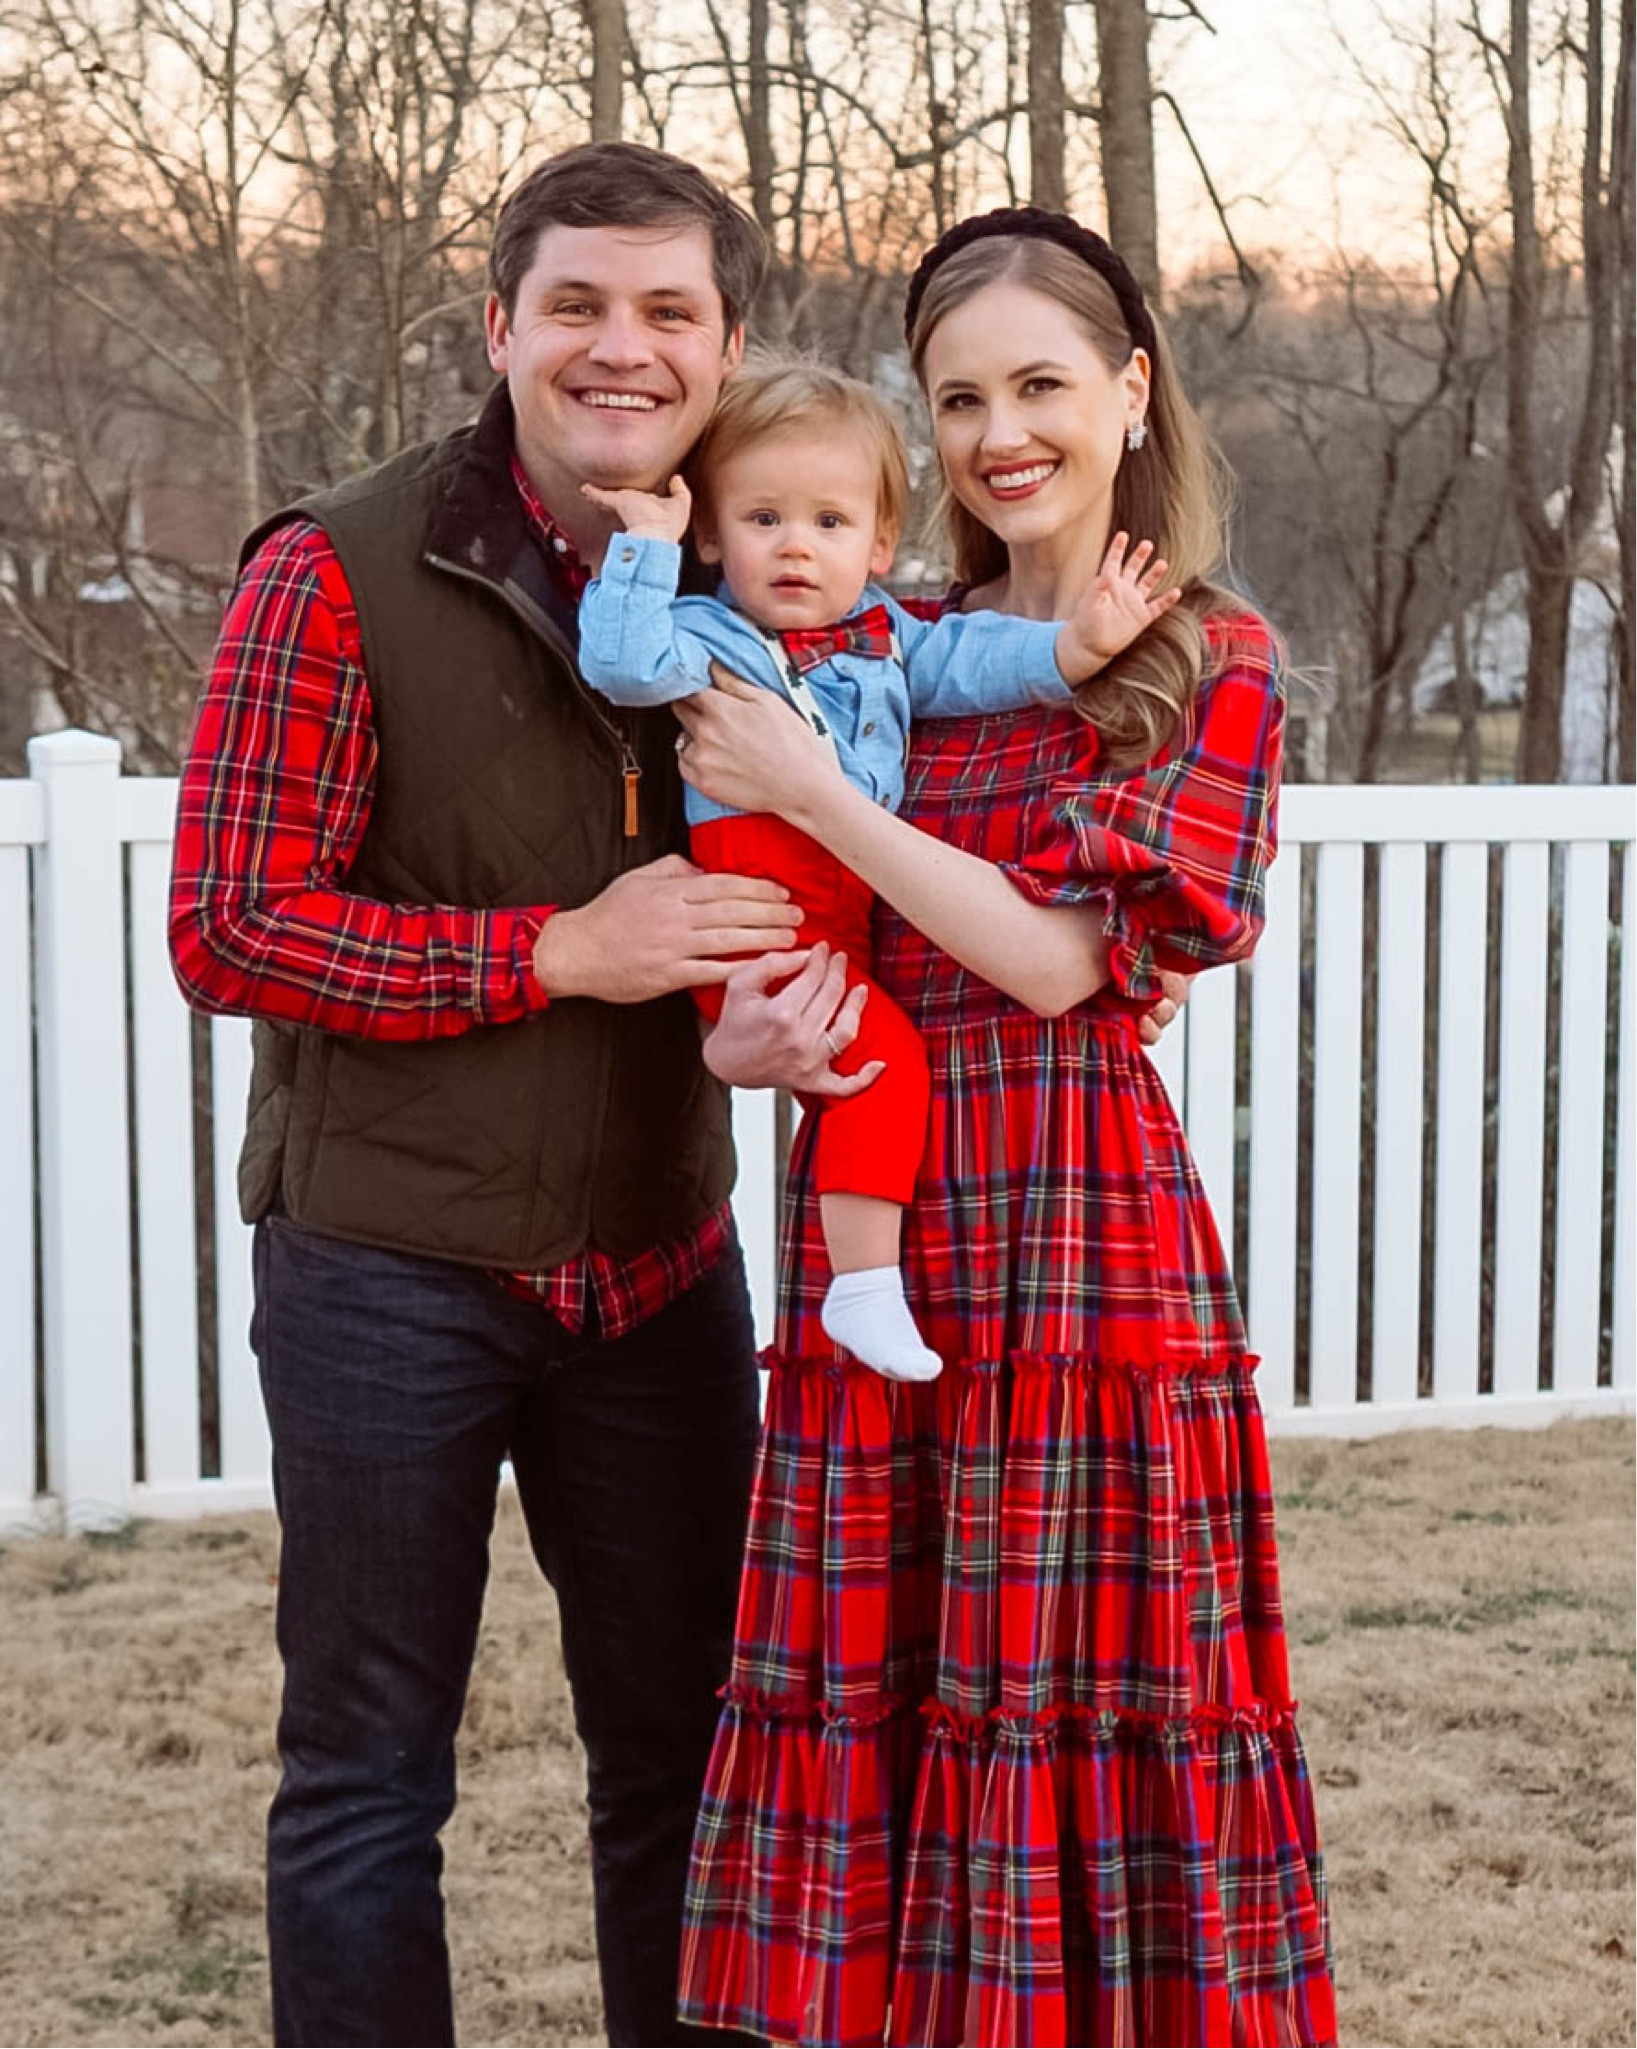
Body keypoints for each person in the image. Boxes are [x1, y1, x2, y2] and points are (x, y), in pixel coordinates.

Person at [166, 139, 875, 2049]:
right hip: (388, 1262)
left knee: (680, 1762)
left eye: (668, 311)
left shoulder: (789, 573)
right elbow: (232, 928)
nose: (618, 346)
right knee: (366, 1782)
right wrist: (556, 950)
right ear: (502, 328)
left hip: (659, 1259)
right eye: (576, 303)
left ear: (728, 346)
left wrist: (784, 1019)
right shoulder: (339, 565)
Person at [671, 208, 1338, 2047]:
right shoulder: (896, 637)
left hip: (1070, 1234)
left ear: (1130, 390)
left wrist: (817, 787)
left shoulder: (1208, 652)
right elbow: (796, 919)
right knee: (887, 1682)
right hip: (877, 1211)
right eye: (958, 395)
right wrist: (750, 1039)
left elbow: (1056, 965)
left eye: (1040, 382)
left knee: (1066, 1682)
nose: (997, 432)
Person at [577, 357, 1180, 1382]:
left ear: (880, 543)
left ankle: (862, 1284)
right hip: (762, 901)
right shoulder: (706, 633)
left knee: (864, 1067)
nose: (796, 548)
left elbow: (981, 660)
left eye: (828, 523)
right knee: (882, 1068)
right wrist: (643, 548)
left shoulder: (885, 642)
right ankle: (859, 1288)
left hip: (840, 902)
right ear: (714, 535)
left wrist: (1078, 648)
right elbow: (622, 662)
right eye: (762, 520)